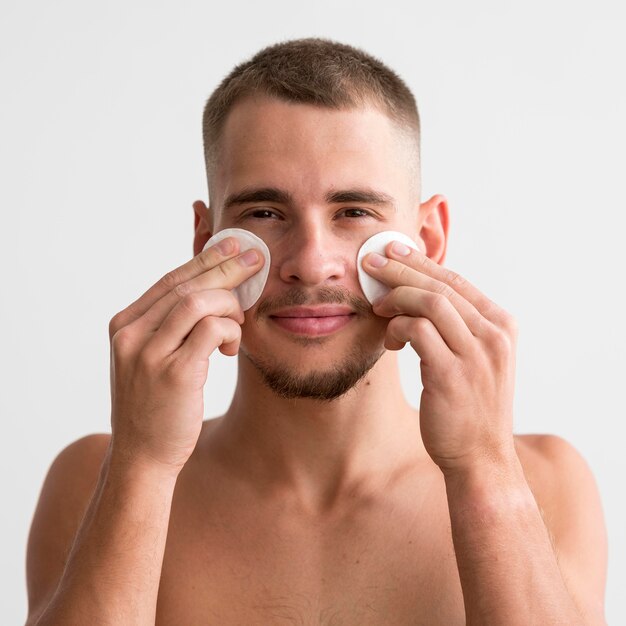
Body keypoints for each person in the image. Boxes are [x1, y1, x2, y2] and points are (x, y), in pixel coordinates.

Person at [25, 38, 607, 625]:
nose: (311, 260)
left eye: (353, 211)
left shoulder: (546, 484)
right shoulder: (97, 478)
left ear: (428, 242)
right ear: (206, 242)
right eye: (264, 213)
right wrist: (143, 464)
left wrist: (484, 466)